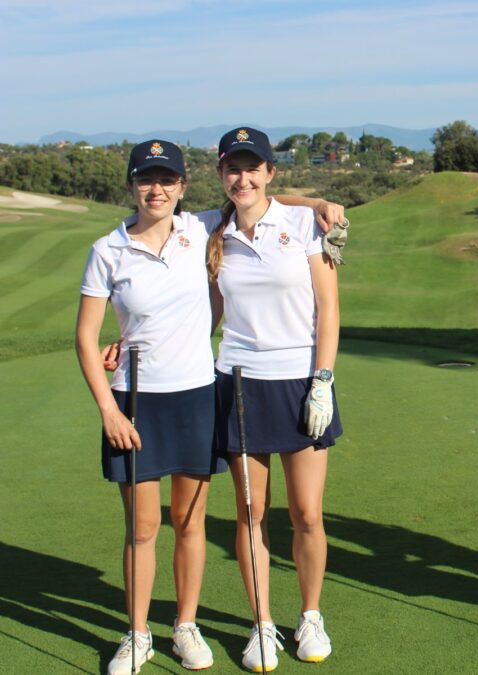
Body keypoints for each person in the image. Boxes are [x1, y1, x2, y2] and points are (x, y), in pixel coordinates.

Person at [76, 139, 345, 675]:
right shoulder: (151, 239)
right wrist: (116, 365)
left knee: (290, 514)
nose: (157, 189)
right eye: (147, 180)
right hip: (203, 386)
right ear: (132, 185)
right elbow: (89, 333)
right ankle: (226, 625)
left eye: (167, 180)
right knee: (209, 520)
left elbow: (259, 200)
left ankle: (276, 618)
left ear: (181, 185)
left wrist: (316, 204)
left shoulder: (207, 227)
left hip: (252, 386)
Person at [208, 127, 342, 671]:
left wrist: (324, 379)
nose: (244, 178)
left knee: (307, 513)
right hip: (239, 381)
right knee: (250, 512)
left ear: (270, 172)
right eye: (233, 169)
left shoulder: (305, 223)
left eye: (253, 167)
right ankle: (262, 622)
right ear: (221, 174)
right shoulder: (208, 230)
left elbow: (328, 308)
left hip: (300, 379)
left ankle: (310, 614)